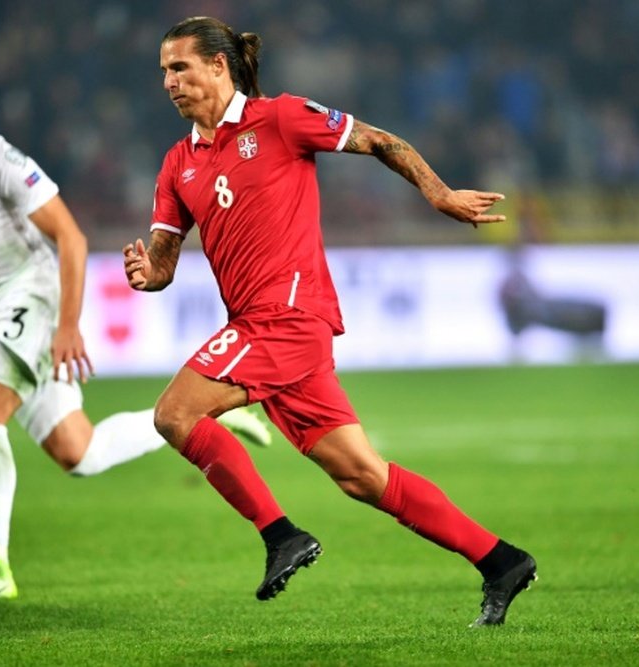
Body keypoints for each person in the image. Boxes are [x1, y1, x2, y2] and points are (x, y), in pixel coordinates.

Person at [123, 17, 536, 627]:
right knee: (363, 476)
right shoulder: (177, 163)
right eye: (163, 70)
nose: (169, 81)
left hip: (287, 314)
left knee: (174, 414)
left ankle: (280, 535)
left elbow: (378, 140)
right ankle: (500, 560)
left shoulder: (281, 118)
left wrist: (439, 193)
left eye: (180, 66)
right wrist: (144, 271)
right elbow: (162, 266)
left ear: (218, 65)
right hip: (265, 328)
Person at [0, 60, 271, 602]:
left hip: (33, 294)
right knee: (78, 453)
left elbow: (71, 237)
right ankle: (207, 413)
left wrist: (66, 326)